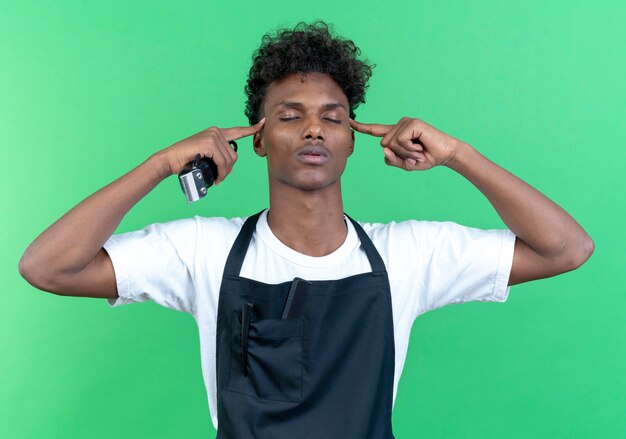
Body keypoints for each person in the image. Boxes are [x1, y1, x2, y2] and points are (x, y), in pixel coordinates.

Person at [19, 21, 593, 438]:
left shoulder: (409, 254)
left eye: (334, 117)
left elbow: (568, 248)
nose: (314, 129)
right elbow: (46, 266)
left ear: (352, 139)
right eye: (290, 115)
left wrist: (458, 154)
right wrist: (159, 164)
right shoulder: (204, 251)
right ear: (260, 138)